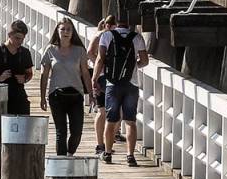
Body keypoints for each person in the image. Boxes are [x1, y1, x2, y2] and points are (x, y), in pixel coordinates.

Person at [93, 15, 148, 166]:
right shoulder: (137, 37)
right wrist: (133, 66)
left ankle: (108, 153)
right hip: (132, 83)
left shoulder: (107, 35)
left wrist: (94, 78)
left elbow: (100, 59)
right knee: (130, 122)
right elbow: (145, 61)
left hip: (112, 83)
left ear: (115, 23)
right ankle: (130, 156)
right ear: (130, 23)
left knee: (111, 121)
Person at [39, 16, 92, 156]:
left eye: (69, 29)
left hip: (75, 95)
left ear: (73, 32)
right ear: (57, 31)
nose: (66, 32)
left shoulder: (79, 50)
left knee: (77, 132)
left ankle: (70, 154)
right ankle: (61, 162)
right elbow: (44, 75)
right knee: (61, 131)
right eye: (63, 29)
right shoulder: (50, 50)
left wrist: (91, 94)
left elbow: (86, 74)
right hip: (56, 95)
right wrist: (42, 97)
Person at [0, 18, 35, 116]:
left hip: (18, 94)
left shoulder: (25, 53)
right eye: (17, 38)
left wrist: (25, 78)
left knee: (22, 125)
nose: (20, 41)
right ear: (9, 35)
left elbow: (29, 73)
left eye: (22, 38)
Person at [87, 16, 113, 154]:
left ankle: (107, 143)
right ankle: (100, 144)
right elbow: (90, 53)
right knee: (102, 110)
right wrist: (101, 65)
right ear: (108, 25)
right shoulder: (100, 35)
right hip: (102, 77)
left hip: (108, 77)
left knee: (111, 111)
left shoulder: (109, 35)